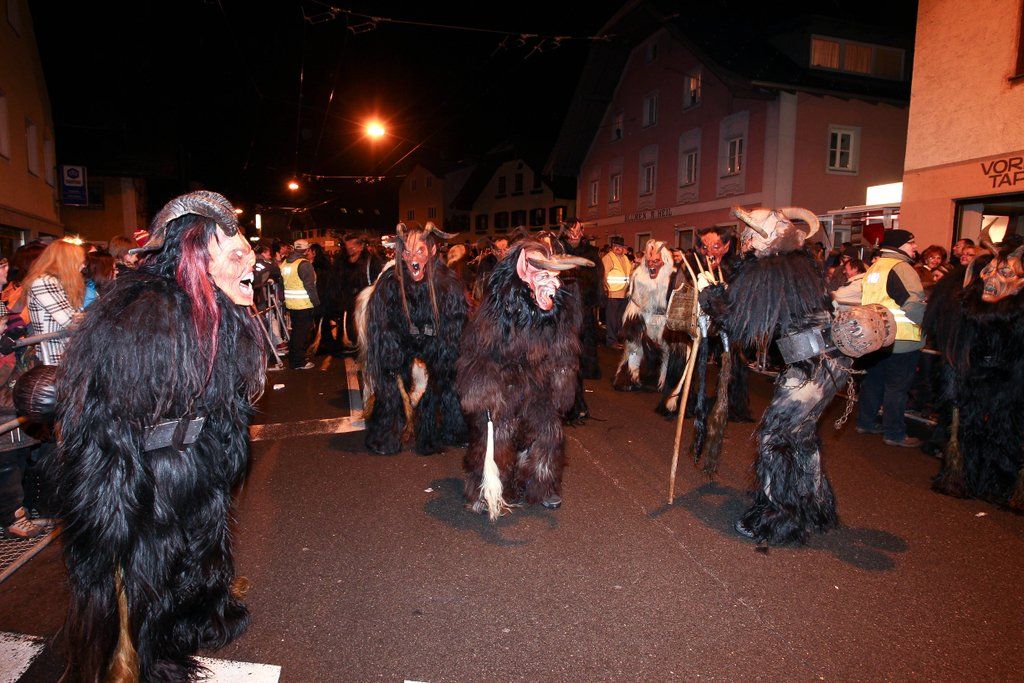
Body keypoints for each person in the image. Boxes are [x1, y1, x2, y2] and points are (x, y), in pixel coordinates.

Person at [54, 190, 265, 681]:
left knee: (202, 550)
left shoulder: (214, 308)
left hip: (195, 459)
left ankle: (199, 616)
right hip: (151, 475)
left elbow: (220, 400)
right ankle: (143, 655)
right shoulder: (147, 311)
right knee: (151, 569)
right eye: (236, 256)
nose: (250, 266)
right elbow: (110, 418)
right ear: (195, 253)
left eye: (249, 255)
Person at [856, 229, 926, 448]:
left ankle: (865, 422)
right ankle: (894, 434)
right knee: (897, 388)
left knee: (873, 383)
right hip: (902, 340)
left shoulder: (875, 268)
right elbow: (914, 304)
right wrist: (925, 324)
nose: (915, 247)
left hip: (877, 339)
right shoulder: (902, 268)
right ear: (900, 245)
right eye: (911, 242)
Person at [22, 239, 86, 366]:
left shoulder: (59, 282)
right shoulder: (43, 282)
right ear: (67, 262)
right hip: (53, 357)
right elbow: (69, 321)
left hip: (64, 355)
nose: (83, 266)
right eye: (80, 261)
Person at [335, 232, 383, 352]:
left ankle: (364, 346)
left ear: (361, 246)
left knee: (363, 325)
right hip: (348, 299)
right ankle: (349, 344)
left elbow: (377, 279)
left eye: (352, 248)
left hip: (364, 299)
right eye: (347, 248)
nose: (349, 250)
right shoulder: (342, 261)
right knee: (348, 324)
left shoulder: (371, 261)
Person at [280, 239, 319, 369]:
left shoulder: (286, 263)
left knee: (296, 332)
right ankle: (298, 362)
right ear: (306, 250)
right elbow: (310, 286)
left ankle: (295, 358)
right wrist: (316, 302)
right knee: (301, 334)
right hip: (304, 304)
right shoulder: (304, 264)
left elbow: (282, 283)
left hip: (291, 304)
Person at [602, 236, 633, 347]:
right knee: (612, 319)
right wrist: (606, 289)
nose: (618, 248)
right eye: (615, 246)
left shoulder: (625, 258)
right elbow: (604, 275)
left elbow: (630, 273)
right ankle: (611, 341)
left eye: (620, 246)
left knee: (621, 318)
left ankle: (619, 339)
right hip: (613, 292)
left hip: (624, 293)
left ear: (623, 247)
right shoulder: (608, 258)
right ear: (612, 247)